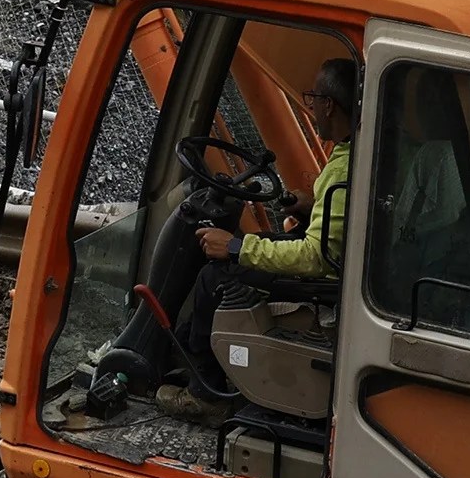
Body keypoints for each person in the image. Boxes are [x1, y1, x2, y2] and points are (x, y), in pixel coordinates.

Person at [61, 56, 359, 421]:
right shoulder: (354, 153)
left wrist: (235, 246)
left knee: (214, 277)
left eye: (313, 98)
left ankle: (206, 396)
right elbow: (342, 219)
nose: (310, 107)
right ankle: (191, 359)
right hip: (337, 269)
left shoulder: (343, 169)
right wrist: (310, 205)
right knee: (246, 251)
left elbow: (314, 256)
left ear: (329, 105)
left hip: (325, 280)